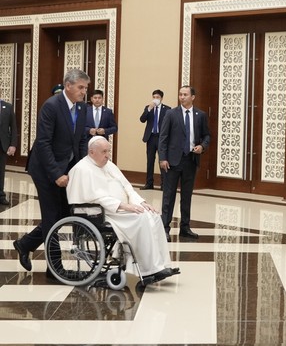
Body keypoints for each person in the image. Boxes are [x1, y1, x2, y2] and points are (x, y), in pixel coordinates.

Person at [67, 137, 179, 285]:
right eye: (104, 152)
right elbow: (94, 198)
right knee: (141, 219)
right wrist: (123, 206)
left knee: (154, 215)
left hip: (121, 209)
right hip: (104, 213)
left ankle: (163, 265)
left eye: (108, 151)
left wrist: (142, 203)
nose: (107, 155)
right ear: (92, 152)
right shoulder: (82, 169)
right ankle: (148, 270)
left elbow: (127, 187)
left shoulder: (109, 165)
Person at [13, 69, 90, 274]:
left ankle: (26, 244)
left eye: (85, 88)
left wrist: (82, 168)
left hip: (67, 167)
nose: (84, 92)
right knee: (51, 216)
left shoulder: (82, 108)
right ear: (68, 86)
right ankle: (54, 269)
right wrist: (56, 174)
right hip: (45, 168)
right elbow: (44, 144)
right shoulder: (51, 106)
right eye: (81, 87)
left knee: (65, 212)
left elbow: (81, 141)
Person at [158, 85, 211, 241]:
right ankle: (165, 228)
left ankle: (185, 227)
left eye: (185, 95)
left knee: (186, 196)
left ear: (192, 97)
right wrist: (162, 158)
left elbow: (207, 135)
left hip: (191, 160)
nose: (182, 97)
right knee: (169, 196)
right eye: (180, 94)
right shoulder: (171, 114)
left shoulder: (200, 115)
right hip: (172, 161)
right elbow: (163, 137)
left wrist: (202, 147)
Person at [140, 89, 170, 190]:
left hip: (162, 138)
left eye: (157, 97)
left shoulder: (167, 109)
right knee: (150, 161)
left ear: (161, 98)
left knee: (162, 160)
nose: (155, 99)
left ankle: (164, 184)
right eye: (154, 97)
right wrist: (149, 108)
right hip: (151, 137)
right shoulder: (148, 108)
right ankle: (149, 183)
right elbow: (142, 119)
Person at [0, 97, 18, 205]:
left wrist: (13, 145)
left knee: (1, 171)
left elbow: (14, 127)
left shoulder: (8, 107)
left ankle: (1, 195)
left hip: (2, 145)